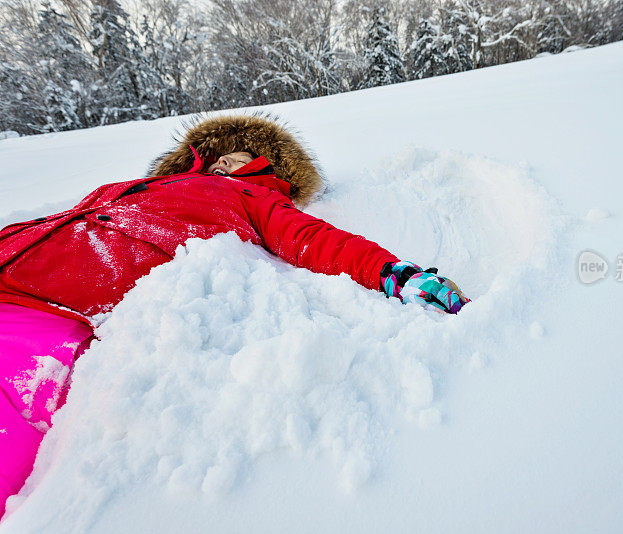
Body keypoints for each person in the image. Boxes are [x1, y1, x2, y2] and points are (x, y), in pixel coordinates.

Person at [0, 114, 468, 518]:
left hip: (49, 311)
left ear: (266, 168)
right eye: (219, 157)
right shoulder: (138, 186)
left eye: (239, 157)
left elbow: (316, 239)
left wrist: (396, 274)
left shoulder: (253, 198)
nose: (225, 162)